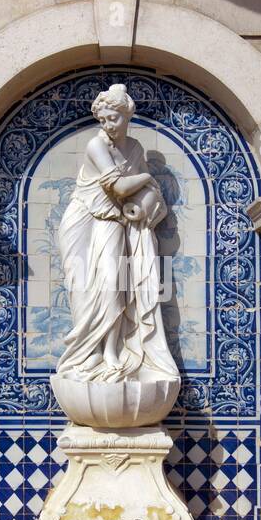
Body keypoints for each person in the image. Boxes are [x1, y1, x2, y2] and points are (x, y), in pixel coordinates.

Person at [56, 84, 179, 384]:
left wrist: (146, 199)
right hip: (82, 220)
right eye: (104, 120)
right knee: (84, 289)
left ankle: (112, 351)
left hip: (113, 219)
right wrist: (149, 177)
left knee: (114, 282)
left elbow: (134, 198)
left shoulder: (134, 148)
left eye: (114, 118)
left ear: (127, 115)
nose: (109, 125)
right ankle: (87, 355)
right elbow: (121, 188)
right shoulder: (96, 146)